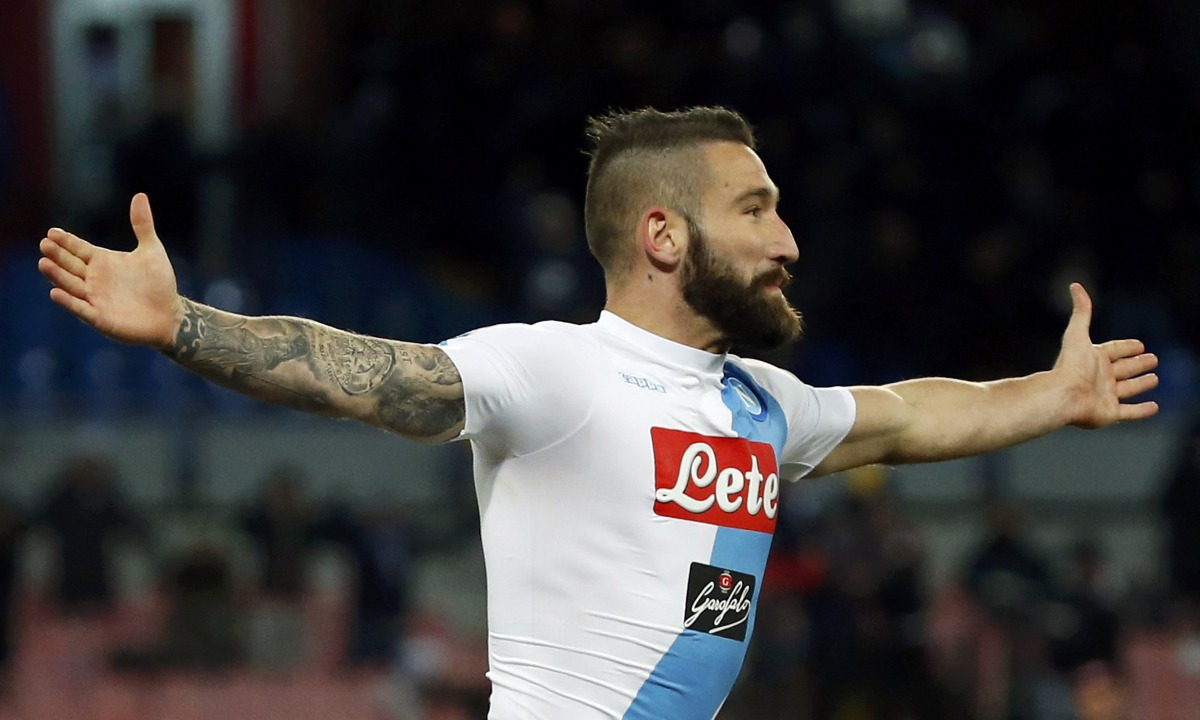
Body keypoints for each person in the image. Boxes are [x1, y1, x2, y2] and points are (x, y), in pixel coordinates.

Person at [35, 107, 1159, 719]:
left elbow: (911, 419)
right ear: (664, 235)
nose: (789, 242)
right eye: (757, 210)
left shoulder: (766, 405)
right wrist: (184, 324)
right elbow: (357, 370)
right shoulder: (558, 373)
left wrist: (1052, 397)